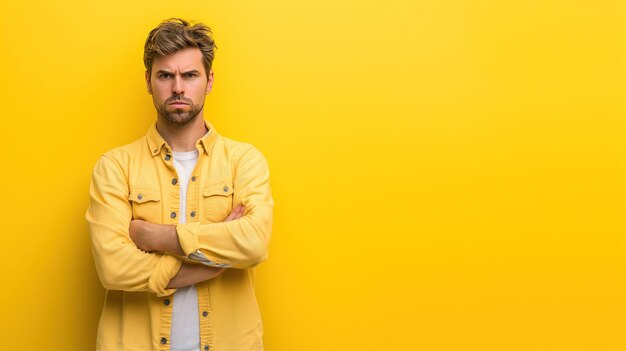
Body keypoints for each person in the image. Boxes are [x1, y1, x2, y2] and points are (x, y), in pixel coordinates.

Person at [85, 18, 273, 351]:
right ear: (148, 81)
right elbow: (113, 268)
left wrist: (156, 236)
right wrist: (215, 263)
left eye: (189, 75)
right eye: (165, 75)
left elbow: (254, 243)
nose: (178, 88)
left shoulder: (244, 161)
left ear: (209, 80)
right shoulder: (115, 167)